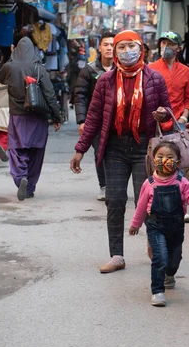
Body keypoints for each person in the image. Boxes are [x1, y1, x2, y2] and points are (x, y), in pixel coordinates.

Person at [70, 30, 171, 274]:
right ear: (114, 52)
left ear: (141, 49)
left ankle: (153, 242)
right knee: (114, 202)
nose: (127, 51)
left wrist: (163, 114)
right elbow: (94, 116)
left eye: (131, 46)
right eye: (121, 47)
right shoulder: (105, 80)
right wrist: (80, 150)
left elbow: (168, 112)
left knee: (146, 200)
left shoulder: (154, 79)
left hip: (144, 148)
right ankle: (117, 255)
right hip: (114, 149)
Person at [129, 141, 189, 306]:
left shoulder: (181, 181)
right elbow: (141, 206)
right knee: (160, 257)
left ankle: (170, 274)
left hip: (177, 227)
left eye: (170, 157)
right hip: (155, 226)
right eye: (160, 156)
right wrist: (135, 225)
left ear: (178, 162)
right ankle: (157, 290)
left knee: (174, 259)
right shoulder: (149, 184)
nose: (164, 160)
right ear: (153, 160)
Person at [0, 37, 62, 201]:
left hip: (18, 117)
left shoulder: (9, 67)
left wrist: (12, 57)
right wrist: (56, 116)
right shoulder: (39, 68)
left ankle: (20, 178)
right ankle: (30, 187)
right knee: (36, 152)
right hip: (37, 117)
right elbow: (49, 94)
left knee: (17, 150)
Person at [149, 30, 189, 223]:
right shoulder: (151, 68)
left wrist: (184, 117)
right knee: (156, 164)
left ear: (178, 48)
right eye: (163, 43)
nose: (166, 47)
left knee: (179, 164)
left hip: (177, 125)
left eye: (170, 43)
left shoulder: (185, 71)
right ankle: (154, 201)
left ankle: (180, 204)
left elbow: (188, 99)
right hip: (156, 124)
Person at [74, 32, 115, 201]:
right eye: (106, 45)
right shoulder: (89, 70)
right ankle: (104, 186)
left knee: (116, 153)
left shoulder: (121, 70)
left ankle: (115, 185)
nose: (109, 48)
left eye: (113, 45)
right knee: (100, 152)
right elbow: (80, 96)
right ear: (99, 47)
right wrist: (82, 120)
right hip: (96, 121)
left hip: (116, 120)